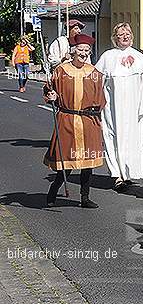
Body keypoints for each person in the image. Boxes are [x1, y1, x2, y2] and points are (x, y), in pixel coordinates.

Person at [95, 23, 143, 192]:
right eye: (121, 34)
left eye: (128, 33)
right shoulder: (107, 57)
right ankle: (116, 175)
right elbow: (96, 83)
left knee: (132, 139)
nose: (125, 36)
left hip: (133, 108)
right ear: (115, 38)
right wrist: (95, 105)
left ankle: (128, 173)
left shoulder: (138, 57)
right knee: (113, 138)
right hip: (112, 108)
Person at [44, 34, 105, 208]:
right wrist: (52, 95)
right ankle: (54, 189)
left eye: (87, 50)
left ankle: (85, 198)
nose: (84, 53)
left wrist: (97, 112)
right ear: (73, 51)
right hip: (67, 118)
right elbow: (50, 89)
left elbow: (101, 97)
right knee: (67, 161)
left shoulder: (94, 73)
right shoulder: (61, 71)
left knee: (88, 163)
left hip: (88, 121)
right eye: (80, 50)